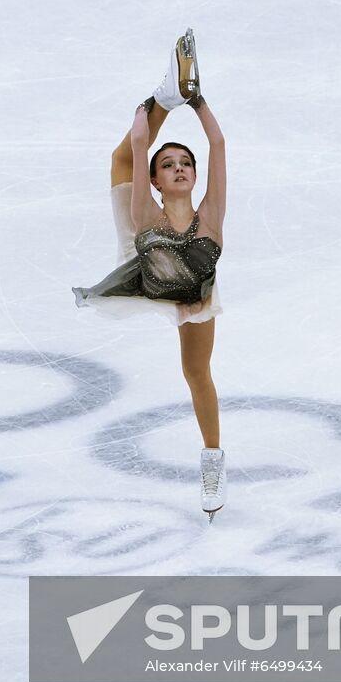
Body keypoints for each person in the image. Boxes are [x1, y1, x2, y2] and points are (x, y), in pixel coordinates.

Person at [72, 29, 229, 523]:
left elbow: (219, 145)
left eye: (186, 163)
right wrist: (146, 143)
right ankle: (166, 93)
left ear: (196, 175)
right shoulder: (147, 211)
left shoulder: (211, 217)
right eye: (170, 164)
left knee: (196, 373)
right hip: (143, 262)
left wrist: (198, 104)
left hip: (192, 285)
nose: (180, 168)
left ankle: (213, 464)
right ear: (159, 181)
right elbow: (137, 156)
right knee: (122, 158)